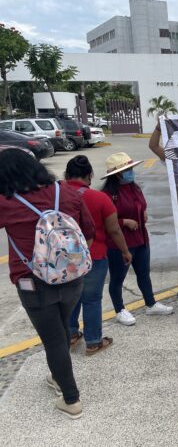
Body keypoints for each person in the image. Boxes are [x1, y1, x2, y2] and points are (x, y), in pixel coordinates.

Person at [0, 149, 95, 419]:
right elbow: (89, 231)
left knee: (53, 339)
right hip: (72, 277)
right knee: (62, 330)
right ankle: (58, 375)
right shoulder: (66, 192)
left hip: (33, 282)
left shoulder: (6, 202)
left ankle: (71, 399)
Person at [65, 156, 132, 355]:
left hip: (65, 258)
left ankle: (71, 334)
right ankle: (93, 342)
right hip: (93, 255)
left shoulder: (56, 196)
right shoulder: (99, 198)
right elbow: (114, 230)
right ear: (90, 175)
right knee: (91, 299)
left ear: (66, 175)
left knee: (71, 297)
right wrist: (125, 251)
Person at [102, 152, 174, 326]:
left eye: (131, 169)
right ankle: (119, 309)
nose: (131, 172)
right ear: (117, 174)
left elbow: (141, 205)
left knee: (143, 273)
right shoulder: (107, 194)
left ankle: (151, 303)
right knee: (117, 278)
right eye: (127, 170)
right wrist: (124, 222)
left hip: (141, 238)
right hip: (120, 243)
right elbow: (104, 221)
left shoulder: (134, 187)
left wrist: (143, 212)